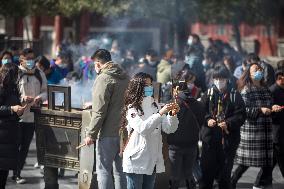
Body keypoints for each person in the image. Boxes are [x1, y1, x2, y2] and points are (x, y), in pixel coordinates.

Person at [120, 72, 179, 189]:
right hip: (136, 158)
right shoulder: (132, 108)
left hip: (152, 157)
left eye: (151, 85)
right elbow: (143, 129)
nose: (150, 88)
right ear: (138, 87)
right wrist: (160, 113)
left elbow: (169, 129)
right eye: (146, 85)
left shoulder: (155, 106)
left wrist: (172, 115)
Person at [84, 49, 129, 189]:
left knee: (103, 170)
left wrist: (91, 134)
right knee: (120, 171)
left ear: (98, 63)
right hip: (124, 132)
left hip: (108, 132)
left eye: (94, 64)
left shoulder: (103, 78)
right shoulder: (125, 76)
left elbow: (99, 111)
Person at [200, 65, 246, 189]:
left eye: (222, 78)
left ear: (227, 79)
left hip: (228, 141)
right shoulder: (208, 93)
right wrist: (207, 119)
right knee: (207, 174)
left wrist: (229, 123)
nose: (219, 81)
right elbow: (200, 112)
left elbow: (241, 115)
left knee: (225, 175)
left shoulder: (235, 95)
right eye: (216, 78)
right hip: (209, 140)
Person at [232, 63, 273, 189]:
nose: (259, 71)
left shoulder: (265, 88)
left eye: (260, 69)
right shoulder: (246, 89)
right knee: (245, 163)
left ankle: (259, 184)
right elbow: (244, 110)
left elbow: (269, 105)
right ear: (249, 74)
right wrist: (260, 110)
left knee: (268, 162)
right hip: (252, 131)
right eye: (255, 70)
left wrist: (273, 108)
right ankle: (231, 182)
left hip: (266, 131)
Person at [14, 48, 47, 184]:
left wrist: (40, 97)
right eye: (28, 58)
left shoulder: (39, 73)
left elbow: (45, 90)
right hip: (17, 115)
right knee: (15, 146)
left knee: (25, 147)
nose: (31, 61)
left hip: (32, 117)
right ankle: (13, 171)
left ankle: (18, 173)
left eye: (32, 57)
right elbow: (10, 92)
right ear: (21, 59)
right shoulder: (15, 73)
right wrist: (22, 97)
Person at [167, 72, 205, 189]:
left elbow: (168, 125)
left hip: (175, 146)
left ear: (175, 90)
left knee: (175, 177)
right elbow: (201, 121)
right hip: (192, 145)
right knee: (189, 175)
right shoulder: (198, 104)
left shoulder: (171, 105)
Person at [255, 69, 284, 186]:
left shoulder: (282, 89)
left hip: (281, 131)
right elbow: (268, 110)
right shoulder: (272, 90)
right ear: (280, 77)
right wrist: (274, 109)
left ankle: (260, 183)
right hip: (276, 132)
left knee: (271, 163)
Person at [0, 64, 26, 189]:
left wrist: (20, 108)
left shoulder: (13, 88)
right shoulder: (1, 88)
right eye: (16, 75)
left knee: (4, 172)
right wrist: (11, 109)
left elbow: (14, 106)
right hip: (2, 135)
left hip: (10, 135)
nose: (18, 78)